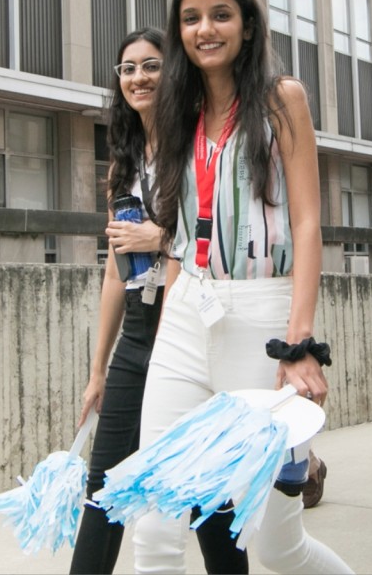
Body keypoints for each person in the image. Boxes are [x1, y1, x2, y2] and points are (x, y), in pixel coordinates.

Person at [131, 0, 351, 575]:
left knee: (276, 546)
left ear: (247, 27)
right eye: (191, 18)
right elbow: (179, 234)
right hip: (186, 313)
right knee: (153, 524)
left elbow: (307, 223)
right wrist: (169, 320)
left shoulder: (282, 98)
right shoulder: (177, 110)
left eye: (220, 15)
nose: (205, 29)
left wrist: (299, 341)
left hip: (263, 318)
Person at [73, 31, 244, 574]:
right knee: (104, 485)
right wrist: (97, 369)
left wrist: (160, 237)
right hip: (138, 332)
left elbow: (214, 238)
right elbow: (113, 268)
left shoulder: (192, 146)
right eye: (127, 69)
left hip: (189, 322)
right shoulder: (122, 161)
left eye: (150, 65)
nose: (138, 77)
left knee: (203, 487)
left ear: (172, 73)